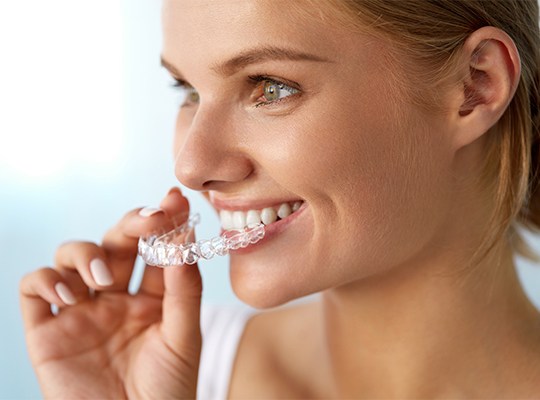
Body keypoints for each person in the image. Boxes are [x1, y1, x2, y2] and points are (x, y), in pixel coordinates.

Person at [20, 0, 540, 398]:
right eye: (189, 90)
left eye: (270, 87)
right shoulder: (177, 372)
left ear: (476, 86)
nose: (191, 167)